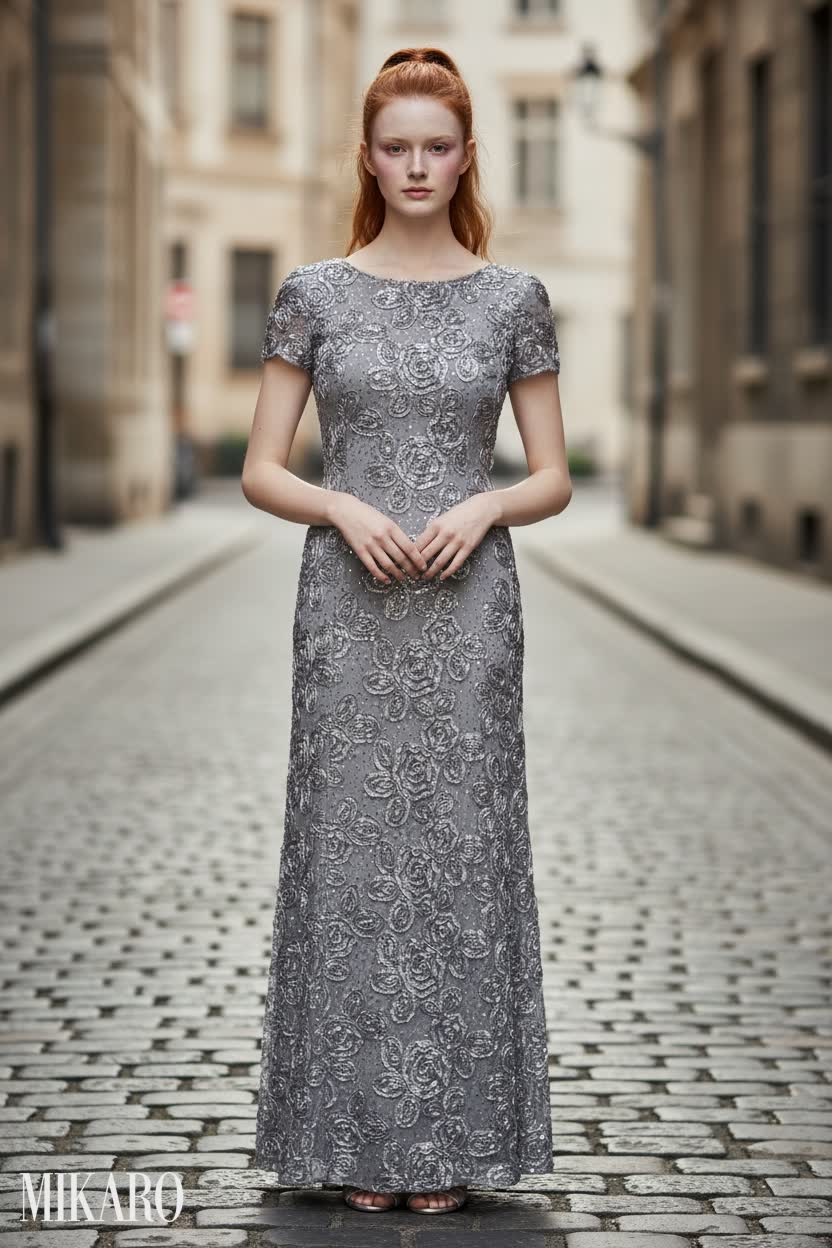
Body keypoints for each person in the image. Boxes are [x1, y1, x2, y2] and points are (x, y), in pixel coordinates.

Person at [242, 46, 571, 1217]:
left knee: (461, 857)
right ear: (369, 158)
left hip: (471, 606)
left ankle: (450, 1145)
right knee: (351, 856)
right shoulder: (314, 293)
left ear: (466, 153)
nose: (418, 164)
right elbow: (259, 469)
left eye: (438, 145)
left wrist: (484, 503)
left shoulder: (511, 299)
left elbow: (552, 478)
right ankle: (351, 1142)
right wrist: (338, 502)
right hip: (346, 605)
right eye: (397, 146)